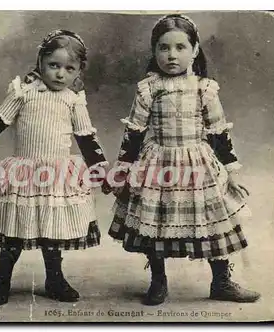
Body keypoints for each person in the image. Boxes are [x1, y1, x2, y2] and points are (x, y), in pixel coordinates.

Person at [105, 15, 260, 305]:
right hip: (157, 166)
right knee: (157, 222)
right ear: (154, 52)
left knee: (211, 222)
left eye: (180, 47)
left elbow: (218, 132)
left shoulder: (205, 88)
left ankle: (221, 281)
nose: (172, 55)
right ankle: (159, 282)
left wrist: (232, 171)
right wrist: (123, 170)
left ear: (195, 49)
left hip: (198, 164)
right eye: (164, 48)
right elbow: (134, 133)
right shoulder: (147, 89)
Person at [0, 30, 107, 306]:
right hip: (24, 173)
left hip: (57, 175)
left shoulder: (73, 101)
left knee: (52, 231)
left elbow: (87, 138)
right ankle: (2, 280)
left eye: (69, 68)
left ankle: (55, 279)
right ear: (40, 61)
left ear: (78, 71)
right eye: (53, 65)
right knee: (14, 230)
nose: (60, 74)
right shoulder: (23, 93)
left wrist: (102, 170)